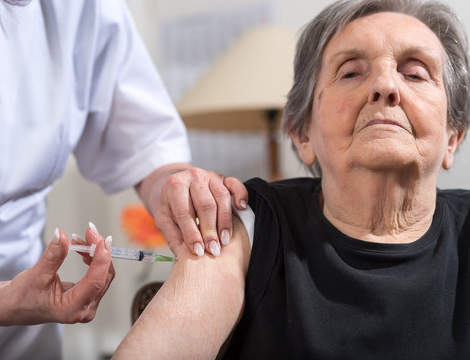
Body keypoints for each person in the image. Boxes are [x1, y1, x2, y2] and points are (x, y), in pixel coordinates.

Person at [113, 0, 470, 358]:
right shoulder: (247, 224)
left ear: (453, 136)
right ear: (302, 134)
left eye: (415, 73)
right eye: (350, 72)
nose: (385, 86)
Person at [0, 0, 247, 359]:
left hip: (23, 344)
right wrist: (1, 302)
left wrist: (174, 187)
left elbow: (148, 147)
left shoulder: (80, 9)